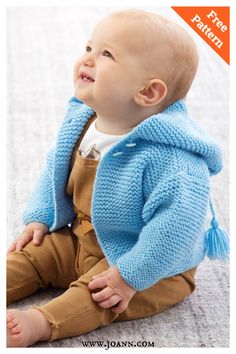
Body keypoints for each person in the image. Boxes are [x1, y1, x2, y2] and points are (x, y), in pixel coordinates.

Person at [6, 9, 229, 347]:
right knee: (34, 253)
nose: (88, 59)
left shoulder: (173, 161)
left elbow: (174, 230)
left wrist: (128, 277)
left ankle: (40, 322)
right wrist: (40, 217)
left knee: (99, 296)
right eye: (90, 47)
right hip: (82, 239)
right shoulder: (84, 119)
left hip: (148, 265)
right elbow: (54, 166)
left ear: (148, 93)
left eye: (106, 54)